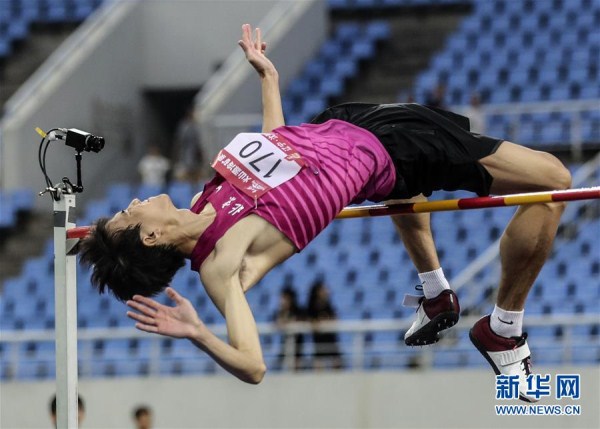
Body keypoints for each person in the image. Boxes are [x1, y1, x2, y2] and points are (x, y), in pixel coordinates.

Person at [79, 24, 571, 401]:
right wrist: (198, 332)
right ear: (149, 238)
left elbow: (278, 149)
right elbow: (253, 366)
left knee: (408, 193)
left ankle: (436, 293)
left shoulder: (204, 201)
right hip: (395, 153)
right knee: (554, 181)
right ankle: (503, 330)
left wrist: (268, 79)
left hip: (349, 121)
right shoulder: (221, 264)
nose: (134, 202)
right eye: (127, 215)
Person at [306, 281, 343, 370]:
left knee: (337, 363)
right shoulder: (311, 307)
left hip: (330, 339)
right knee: (319, 365)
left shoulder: (329, 305)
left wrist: (328, 320)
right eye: (323, 289)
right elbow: (309, 320)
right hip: (319, 340)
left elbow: (334, 319)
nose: (326, 291)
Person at [272, 286, 305, 370]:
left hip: (298, 344)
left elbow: (302, 321)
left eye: (285, 298)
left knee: (297, 366)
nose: (282, 301)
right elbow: (276, 323)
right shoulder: (279, 312)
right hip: (285, 344)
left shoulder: (299, 311)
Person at [172, 105, 204, 182]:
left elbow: (199, 142)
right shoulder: (184, 126)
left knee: (196, 175)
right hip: (186, 153)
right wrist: (176, 156)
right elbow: (179, 141)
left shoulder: (196, 125)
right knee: (185, 174)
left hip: (195, 155)